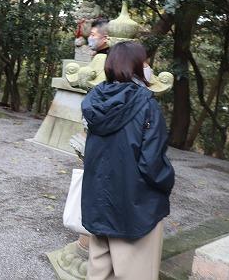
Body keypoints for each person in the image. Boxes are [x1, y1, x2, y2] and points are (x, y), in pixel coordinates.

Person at [81, 41, 175, 280]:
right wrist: (167, 183)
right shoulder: (146, 105)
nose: (148, 66)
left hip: (98, 203)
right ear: (134, 66)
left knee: (99, 273)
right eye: (145, 62)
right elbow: (152, 163)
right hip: (134, 208)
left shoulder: (95, 102)